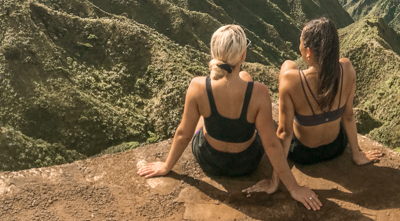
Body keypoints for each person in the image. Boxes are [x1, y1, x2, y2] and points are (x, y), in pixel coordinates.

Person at [138, 24, 322, 210]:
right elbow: (272, 145)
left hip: (210, 161)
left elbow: (183, 133)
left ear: (214, 53)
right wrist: (294, 188)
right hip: (246, 163)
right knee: (246, 78)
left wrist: (166, 166)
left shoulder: (197, 86)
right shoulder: (259, 93)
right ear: (243, 55)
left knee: (203, 117)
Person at [248, 17, 383, 194]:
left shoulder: (291, 80)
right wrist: (357, 154)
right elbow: (348, 116)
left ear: (309, 51)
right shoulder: (347, 69)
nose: (299, 47)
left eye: (301, 43)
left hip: (303, 153)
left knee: (288, 64)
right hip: (336, 146)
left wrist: (275, 181)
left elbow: (284, 133)